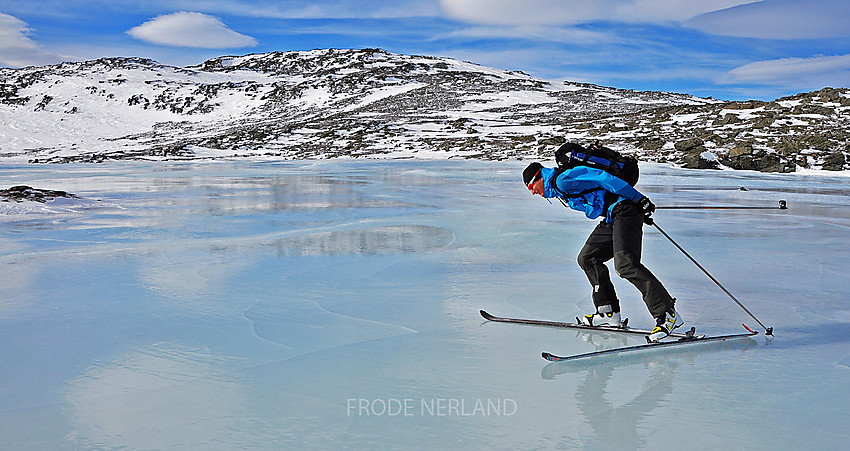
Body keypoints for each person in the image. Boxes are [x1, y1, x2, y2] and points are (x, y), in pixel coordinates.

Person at [522, 161, 682, 342]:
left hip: (625, 210)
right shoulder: (558, 189)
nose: (533, 192)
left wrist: (638, 199)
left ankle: (667, 313)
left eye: (531, 187)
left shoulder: (562, 180)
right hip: (614, 215)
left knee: (626, 265)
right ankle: (608, 311)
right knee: (587, 258)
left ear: (539, 177)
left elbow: (604, 178)